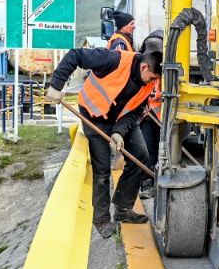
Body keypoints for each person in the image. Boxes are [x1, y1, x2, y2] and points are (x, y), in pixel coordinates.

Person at [45, 46, 162, 235]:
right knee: (102, 170)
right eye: (153, 77)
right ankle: (101, 221)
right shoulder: (114, 60)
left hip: (118, 119)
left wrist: (119, 133)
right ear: (144, 67)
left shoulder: (147, 83)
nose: (154, 82)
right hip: (94, 115)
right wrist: (56, 85)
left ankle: (123, 209)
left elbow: (135, 111)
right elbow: (76, 55)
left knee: (140, 154)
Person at [137, 29, 164, 198]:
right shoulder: (142, 65)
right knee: (147, 150)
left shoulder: (170, 68)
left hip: (164, 117)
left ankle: (161, 183)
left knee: (165, 152)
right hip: (147, 116)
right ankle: (147, 183)